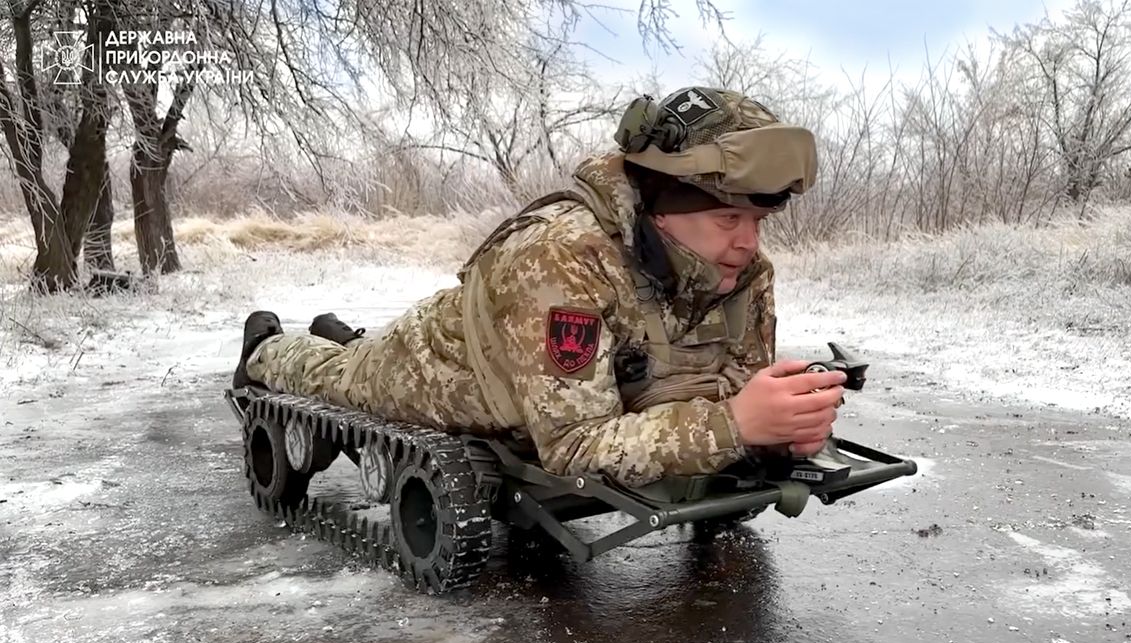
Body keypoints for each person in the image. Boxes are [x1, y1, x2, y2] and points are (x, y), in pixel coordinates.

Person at [231, 85, 848, 489]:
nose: (749, 243)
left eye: (758, 222)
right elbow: (575, 449)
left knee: (358, 356)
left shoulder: (741, 271)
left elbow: (734, 392)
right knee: (344, 381)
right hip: (447, 367)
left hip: (532, 374)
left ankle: (344, 338)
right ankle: (269, 349)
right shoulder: (561, 258)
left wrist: (784, 426)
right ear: (662, 211)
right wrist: (736, 426)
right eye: (727, 220)